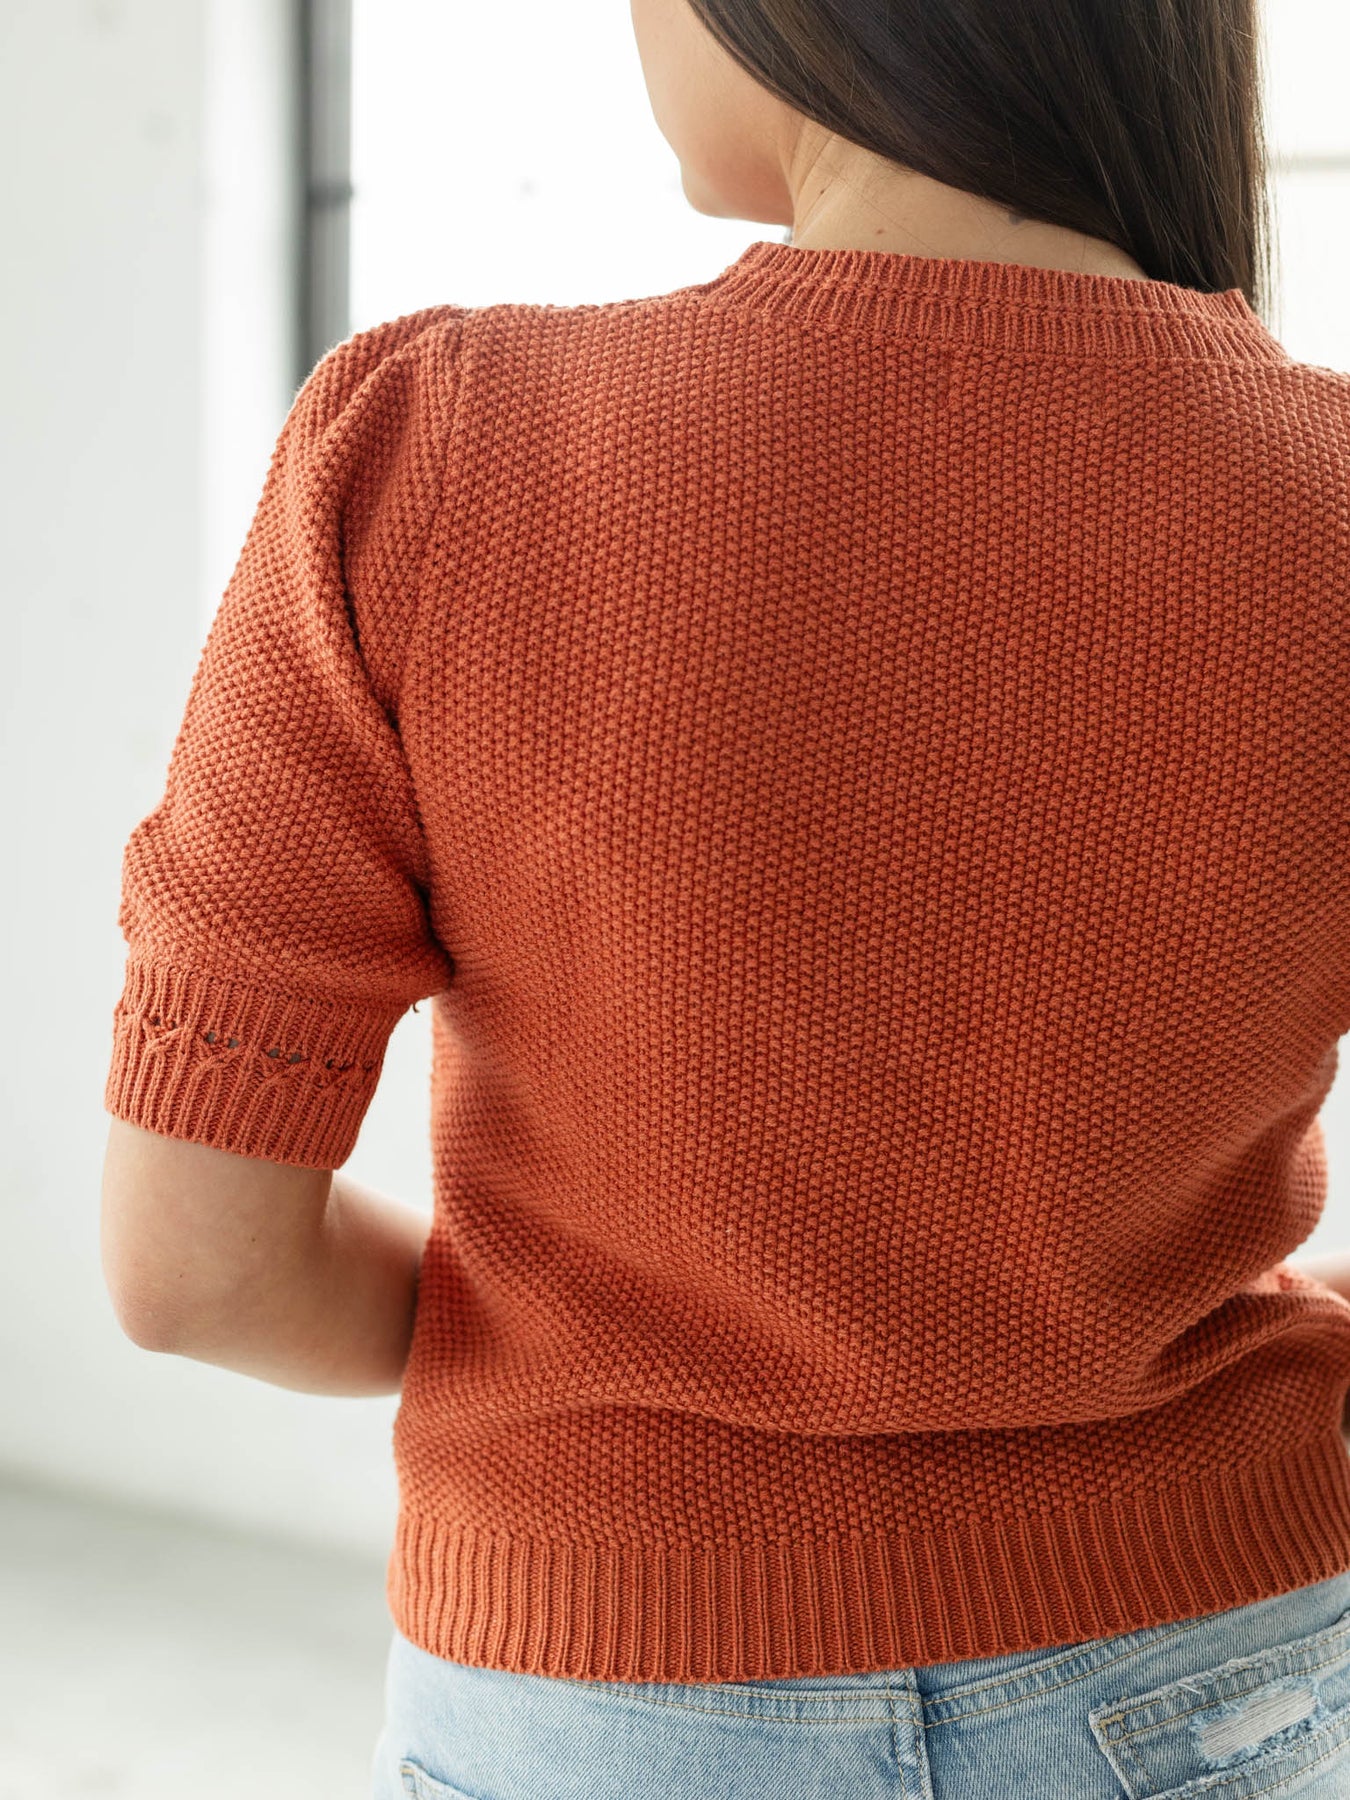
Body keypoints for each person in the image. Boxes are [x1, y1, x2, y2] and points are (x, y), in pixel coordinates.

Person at [100, 1, 1350, 1795]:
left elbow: (196, 1273)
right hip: (1209, 1647)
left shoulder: (434, 443)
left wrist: (557, 1364)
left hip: (599, 1676)